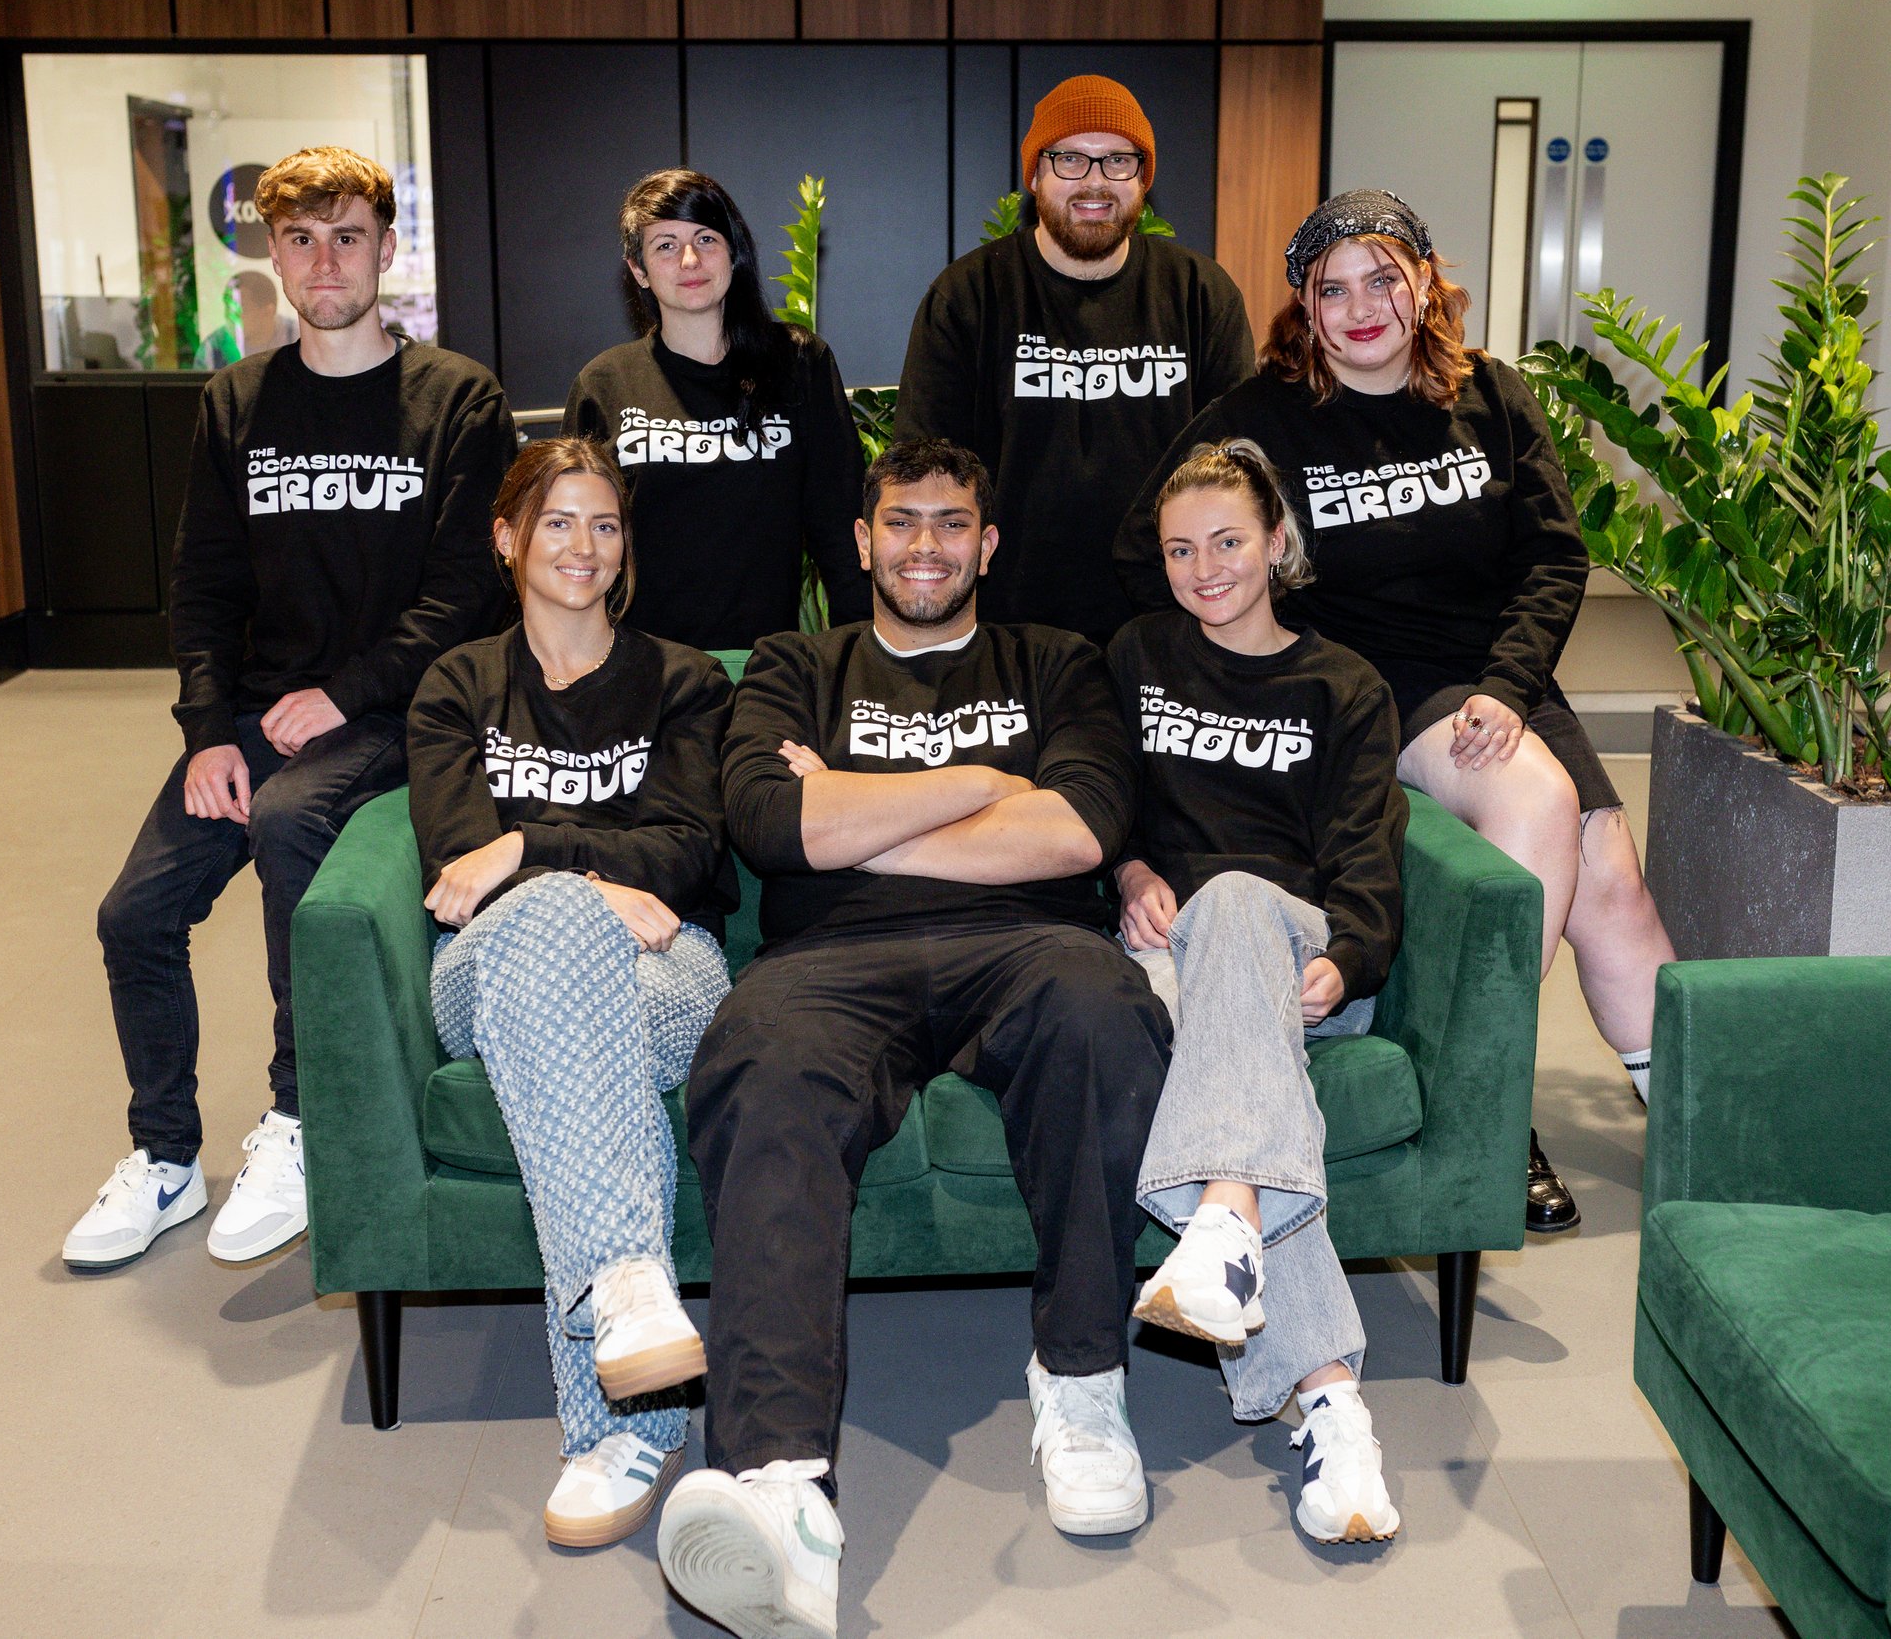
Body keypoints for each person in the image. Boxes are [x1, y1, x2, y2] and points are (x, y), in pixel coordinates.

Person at [656, 438, 1168, 1639]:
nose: (924, 545)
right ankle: (781, 1488)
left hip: (1027, 943)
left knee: (1103, 1010)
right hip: (830, 962)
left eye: (950, 524)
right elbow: (770, 824)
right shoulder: (794, 661)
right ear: (862, 539)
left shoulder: (1058, 660)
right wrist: (987, 784)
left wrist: (853, 807)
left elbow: (1078, 831)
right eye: (901, 522)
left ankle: (1084, 1381)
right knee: (761, 1059)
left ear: (987, 544)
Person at [1116, 188, 1679, 1233]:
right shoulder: (1261, 417)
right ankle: (1486, 1097)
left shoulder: (1493, 397)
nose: (1362, 305)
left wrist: (1510, 684)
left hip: (1500, 671)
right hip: (1374, 685)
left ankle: (1700, 1129)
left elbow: (1554, 555)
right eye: (1334, 289)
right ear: (1304, 307)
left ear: (1425, 281)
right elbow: (1149, 543)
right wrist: (1266, 660)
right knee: (1540, 802)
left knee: (1613, 881)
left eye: (1384, 278)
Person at [66, 146, 514, 1271]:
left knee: (289, 824)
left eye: (347, 236)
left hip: (391, 708)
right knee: (134, 913)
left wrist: (346, 691)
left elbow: (466, 592)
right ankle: (165, 1155)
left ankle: (298, 1118)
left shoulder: (457, 398)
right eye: (302, 239)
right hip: (258, 716)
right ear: (273, 252)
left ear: (386, 250)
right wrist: (207, 728)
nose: (325, 260)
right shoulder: (235, 403)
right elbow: (203, 584)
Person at [408, 436, 737, 1548]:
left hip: (671, 965)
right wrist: (597, 876)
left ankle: (622, 1407)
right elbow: (461, 871)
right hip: (489, 969)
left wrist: (532, 849)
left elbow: (689, 850)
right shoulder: (457, 684)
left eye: (604, 524)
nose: (583, 546)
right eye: (557, 522)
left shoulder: (684, 679)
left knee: (557, 960)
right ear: (507, 538)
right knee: (547, 921)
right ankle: (630, 1299)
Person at [1108, 438, 1406, 1545]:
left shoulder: (1344, 685)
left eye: (1227, 541)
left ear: (1278, 540)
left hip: (1298, 954)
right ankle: (1334, 1409)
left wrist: (1354, 953)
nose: (1204, 567)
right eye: (1181, 549)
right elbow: (1102, 802)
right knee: (1209, 913)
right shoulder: (1137, 655)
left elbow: (1371, 851)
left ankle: (1224, 1228)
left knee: (1234, 894)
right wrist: (1131, 870)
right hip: (1170, 961)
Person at [894, 74, 1253, 644]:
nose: (1095, 182)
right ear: (1034, 176)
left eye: (1117, 161)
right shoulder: (968, 296)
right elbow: (924, 473)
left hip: (1173, 626)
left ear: (1144, 178)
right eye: (1069, 160)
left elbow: (1238, 469)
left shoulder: (1198, 294)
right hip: (1006, 630)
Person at [564, 169, 868, 649]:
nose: (690, 259)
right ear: (638, 269)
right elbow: (574, 550)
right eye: (665, 244)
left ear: (734, 252)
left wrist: (857, 662)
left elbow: (843, 535)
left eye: (706, 238)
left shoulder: (798, 364)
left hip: (769, 671)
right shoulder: (604, 384)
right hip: (644, 672)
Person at [196, 269, 300, 368]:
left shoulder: (297, 338)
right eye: (228, 307)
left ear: (268, 312)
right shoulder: (212, 350)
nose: (229, 317)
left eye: (239, 310)